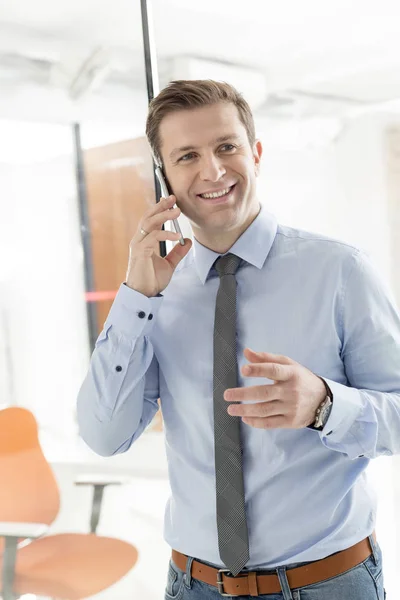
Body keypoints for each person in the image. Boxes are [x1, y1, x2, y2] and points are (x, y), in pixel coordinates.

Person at [77, 80, 400, 600]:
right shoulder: (153, 293)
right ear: (165, 176)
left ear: (255, 152)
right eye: (187, 156)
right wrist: (135, 296)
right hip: (194, 585)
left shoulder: (340, 272)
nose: (212, 170)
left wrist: (325, 404)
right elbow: (103, 435)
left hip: (328, 584)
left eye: (226, 146)